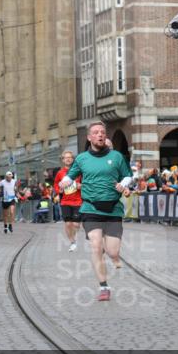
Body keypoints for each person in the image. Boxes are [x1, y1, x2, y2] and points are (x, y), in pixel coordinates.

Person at [59, 122, 133, 302]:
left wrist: (123, 184)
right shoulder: (82, 158)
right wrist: (66, 181)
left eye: (102, 132)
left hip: (113, 208)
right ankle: (104, 286)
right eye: (95, 132)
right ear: (89, 137)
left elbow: (128, 175)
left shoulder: (116, 157)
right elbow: (72, 174)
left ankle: (114, 258)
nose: (100, 135)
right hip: (90, 207)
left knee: (113, 251)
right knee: (96, 246)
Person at [54, 150, 83, 251]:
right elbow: (56, 185)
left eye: (70, 157)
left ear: (73, 159)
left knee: (76, 224)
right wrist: (59, 190)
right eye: (66, 157)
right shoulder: (60, 173)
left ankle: (74, 237)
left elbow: (85, 183)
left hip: (77, 201)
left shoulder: (78, 172)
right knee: (68, 223)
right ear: (63, 160)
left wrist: (81, 186)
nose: (68, 159)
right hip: (65, 201)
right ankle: (72, 242)